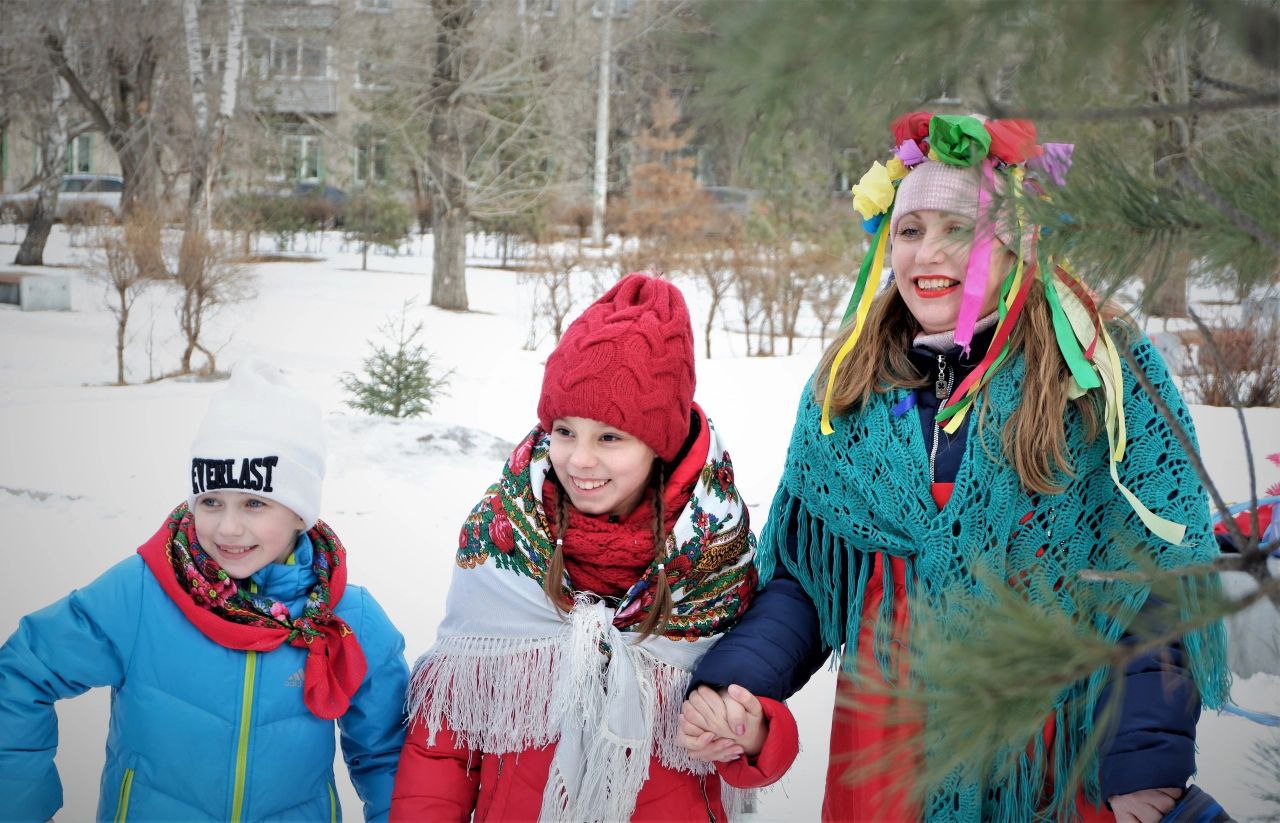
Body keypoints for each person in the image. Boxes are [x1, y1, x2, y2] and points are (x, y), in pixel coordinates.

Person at [678, 112, 1230, 822]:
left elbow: (1158, 574)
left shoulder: (1096, 373)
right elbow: (808, 580)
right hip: (887, 760)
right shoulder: (846, 388)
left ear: (1016, 242)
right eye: (910, 230)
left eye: (960, 228)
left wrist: (1146, 757)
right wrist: (740, 682)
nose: (928, 252)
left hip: (1052, 758)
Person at [390, 274, 798, 822]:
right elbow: (444, 739)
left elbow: (748, 729)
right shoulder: (501, 543)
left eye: (609, 437)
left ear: (661, 446)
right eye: (564, 431)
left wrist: (753, 735)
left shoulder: (713, 558)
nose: (579, 460)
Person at [0, 359, 409, 822]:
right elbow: (21, 675)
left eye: (255, 503)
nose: (228, 528)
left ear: (300, 513)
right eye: (211, 502)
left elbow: (389, 758)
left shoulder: (348, 617)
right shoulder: (143, 592)